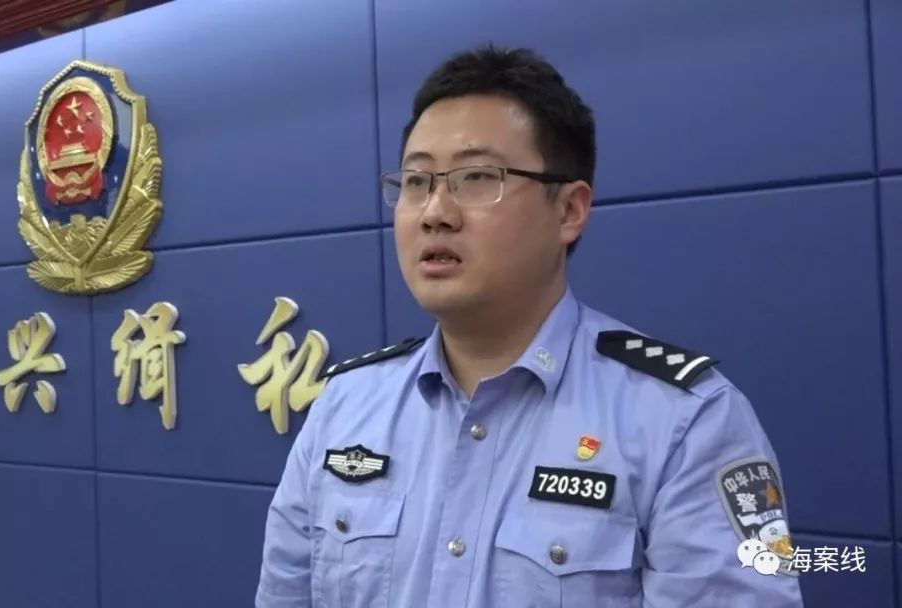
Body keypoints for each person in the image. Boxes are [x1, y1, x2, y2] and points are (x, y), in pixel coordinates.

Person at [255, 44, 802, 607]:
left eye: (475, 177)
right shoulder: (344, 407)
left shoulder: (688, 423)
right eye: (416, 182)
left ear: (568, 210)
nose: (435, 212)